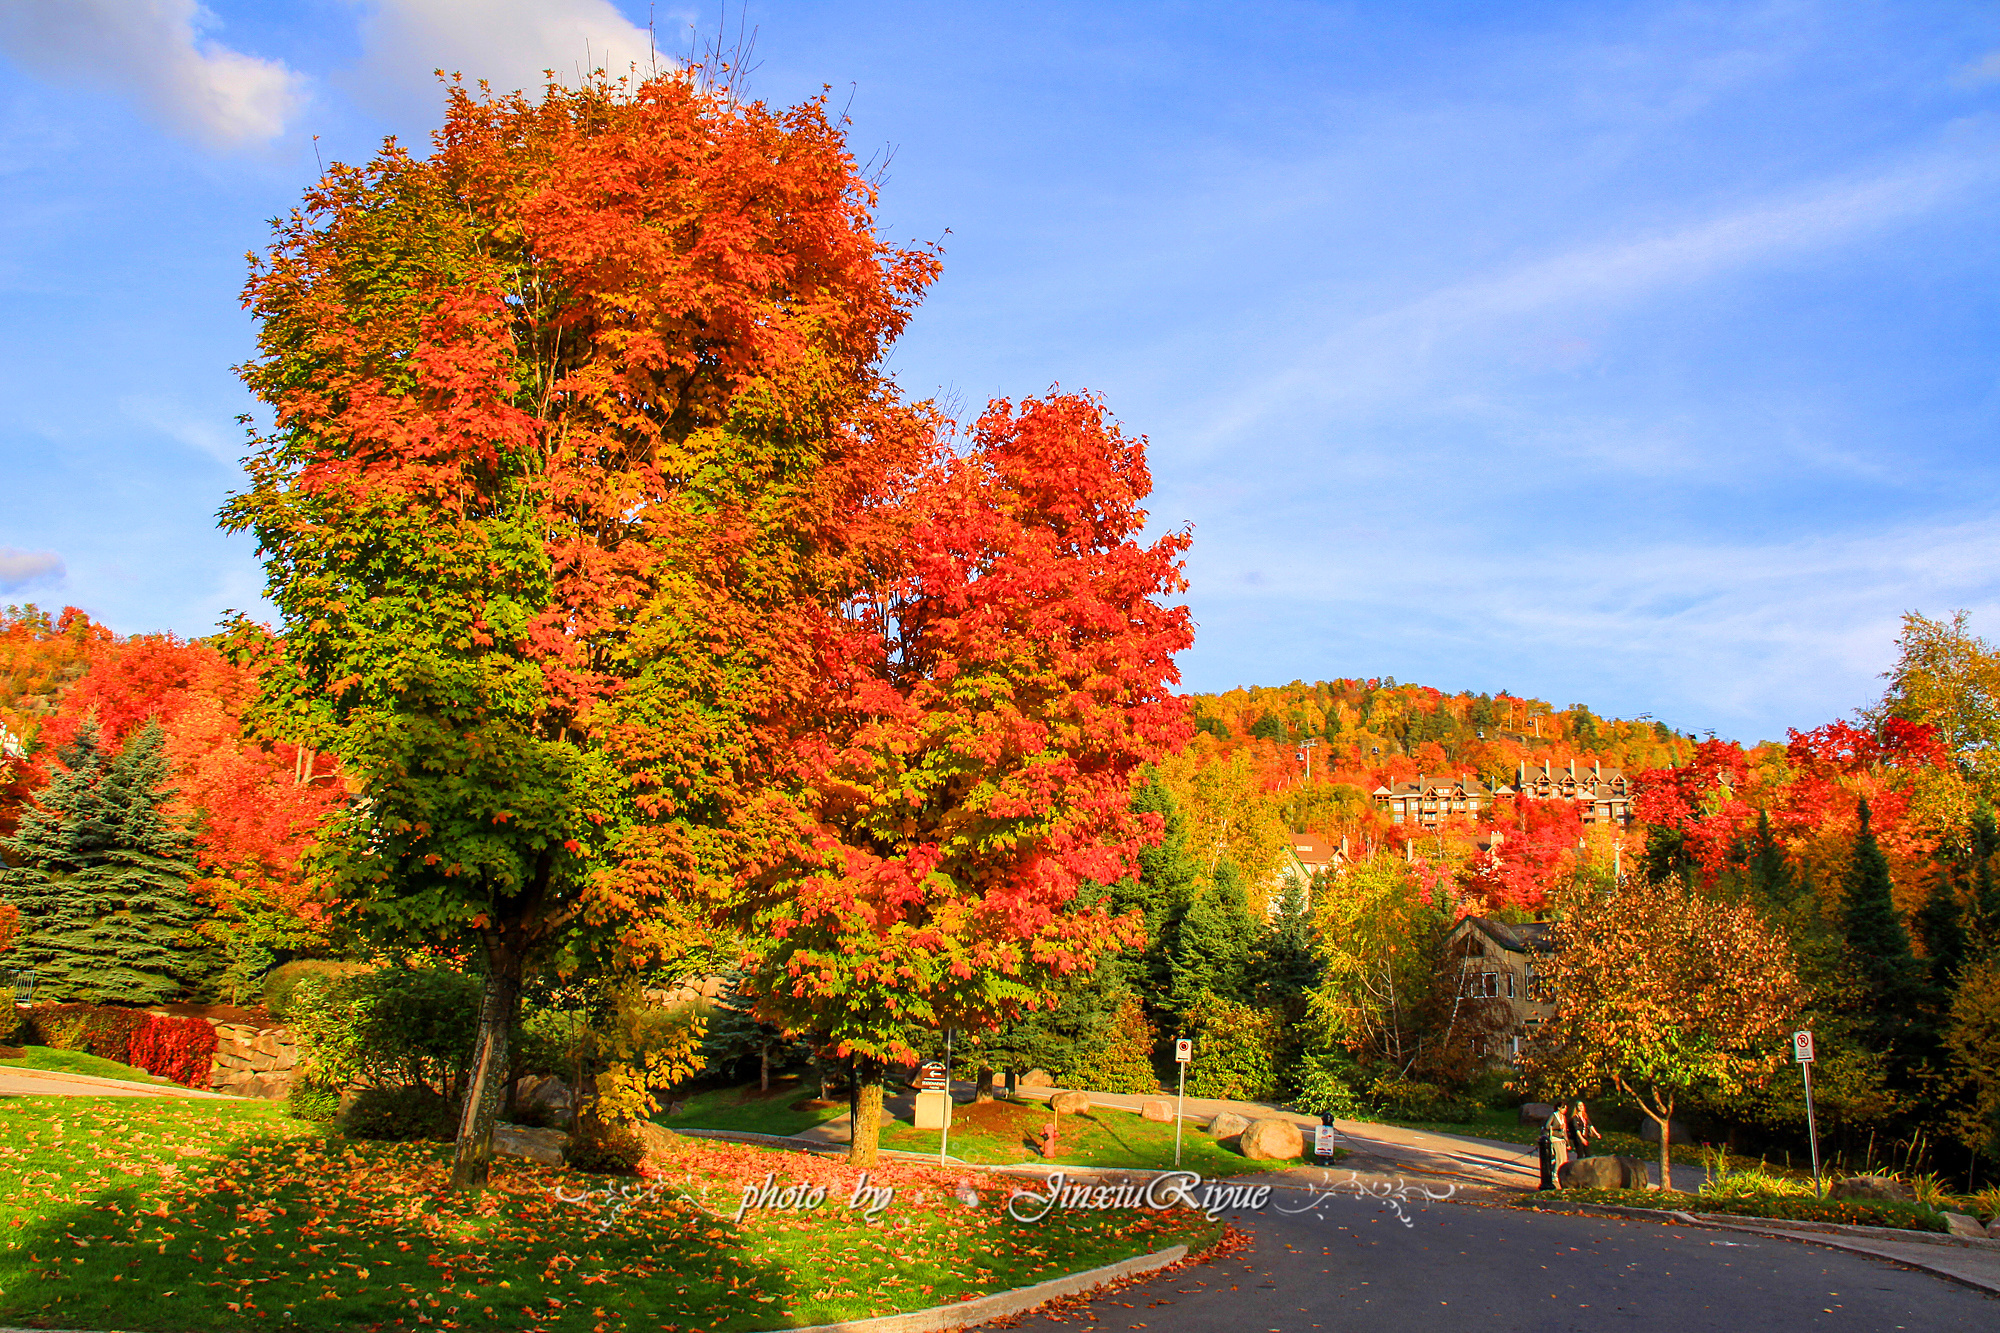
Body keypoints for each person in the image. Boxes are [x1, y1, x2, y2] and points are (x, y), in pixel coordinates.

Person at [1541, 1103, 1570, 1189]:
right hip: (1555, 1138)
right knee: (1559, 1158)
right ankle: (1554, 1173)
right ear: (1559, 1108)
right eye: (1563, 1108)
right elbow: (1547, 1126)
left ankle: (1560, 1173)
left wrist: (1567, 1142)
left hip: (1562, 1139)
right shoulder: (1554, 1116)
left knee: (1564, 1158)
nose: (1565, 1110)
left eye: (1566, 1109)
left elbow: (1564, 1131)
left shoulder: (1563, 1117)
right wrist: (1557, 1126)